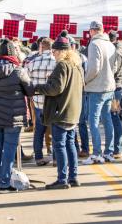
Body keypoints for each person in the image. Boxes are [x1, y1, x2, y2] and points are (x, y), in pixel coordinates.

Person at [0, 39, 35, 193]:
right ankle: (5, 183)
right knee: (9, 150)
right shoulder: (18, 71)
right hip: (13, 116)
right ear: (13, 53)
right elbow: (30, 90)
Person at [35, 34, 84, 189]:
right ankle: (73, 177)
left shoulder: (62, 65)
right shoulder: (76, 65)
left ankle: (62, 179)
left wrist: (38, 87)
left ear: (62, 51)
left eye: (55, 51)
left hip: (61, 112)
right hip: (72, 111)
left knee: (60, 145)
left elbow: (56, 89)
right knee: (70, 144)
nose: (53, 53)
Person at [83, 21, 116, 165]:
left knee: (93, 121)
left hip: (97, 87)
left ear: (92, 31)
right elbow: (114, 66)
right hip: (109, 86)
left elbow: (94, 68)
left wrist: (84, 81)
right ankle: (109, 152)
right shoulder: (110, 44)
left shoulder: (94, 44)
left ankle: (96, 153)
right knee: (107, 119)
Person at [27, 37, 56, 165]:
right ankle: (56, 157)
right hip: (53, 102)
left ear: (41, 47)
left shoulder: (33, 62)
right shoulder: (56, 62)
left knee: (39, 130)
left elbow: (26, 80)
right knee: (55, 131)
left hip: (38, 101)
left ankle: (38, 157)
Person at [109, 31, 122, 158]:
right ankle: (116, 148)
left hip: (115, 88)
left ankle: (118, 148)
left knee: (115, 117)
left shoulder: (117, 52)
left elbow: (114, 71)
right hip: (116, 87)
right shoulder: (118, 50)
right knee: (114, 117)